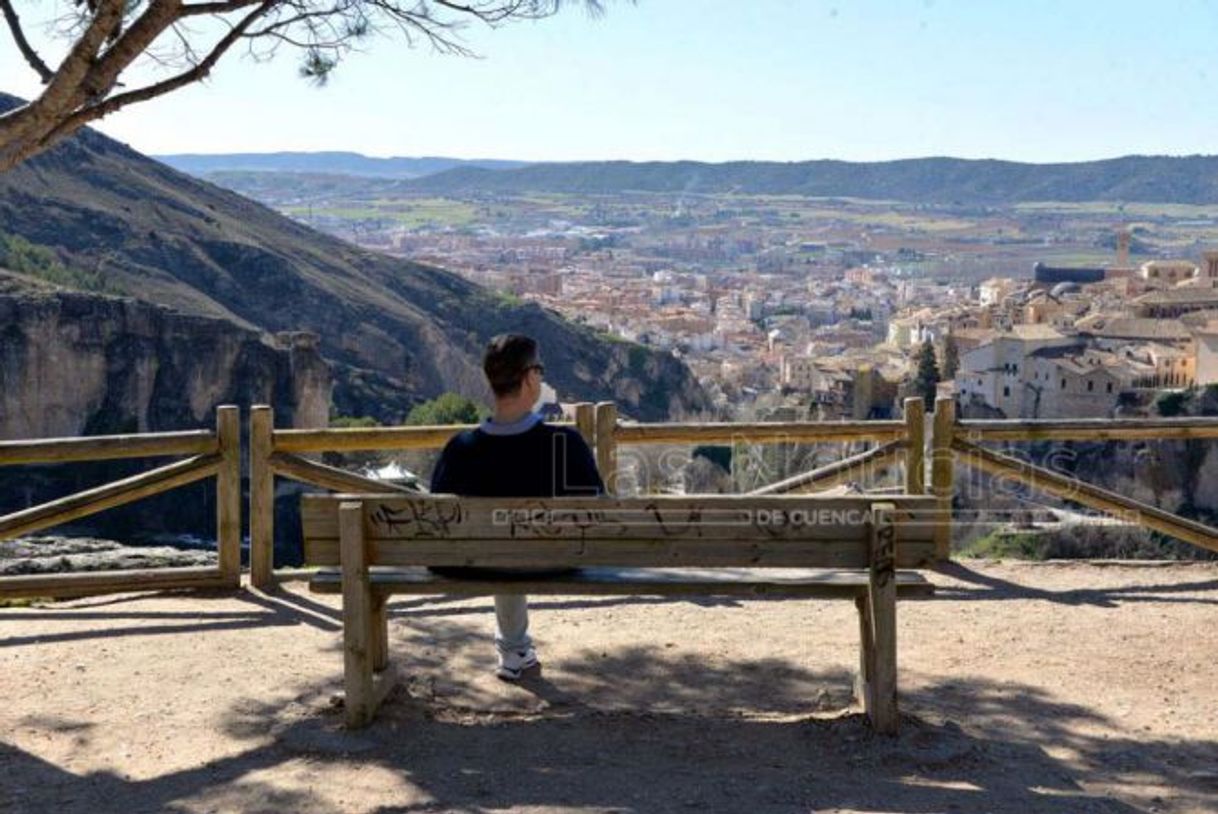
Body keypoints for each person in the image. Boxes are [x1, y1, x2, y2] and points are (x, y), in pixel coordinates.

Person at [430, 334, 604, 680]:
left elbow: (438, 520)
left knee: (500, 549)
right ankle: (515, 648)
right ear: (529, 378)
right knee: (514, 547)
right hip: (555, 561)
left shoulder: (460, 449)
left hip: (472, 565)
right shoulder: (564, 444)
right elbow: (599, 513)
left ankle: (514, 649)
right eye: (539, 370)